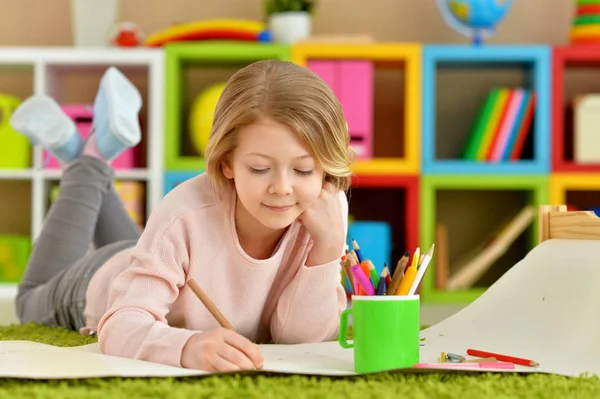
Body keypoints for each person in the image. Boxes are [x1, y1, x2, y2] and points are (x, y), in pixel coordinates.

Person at [11, 60, 353, 373]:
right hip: (97, 282)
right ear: (227, 162)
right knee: (28, 299)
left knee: (144, 247)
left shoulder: (326, 208)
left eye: (304, 169)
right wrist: (185, 346)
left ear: (325, 169)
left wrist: (326, 250)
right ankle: (92, 157)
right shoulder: (185, 213)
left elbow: (302, 338)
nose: (282, 187)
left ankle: (78, 150)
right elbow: (121, 322)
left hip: (152, 257)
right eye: (260, 168)